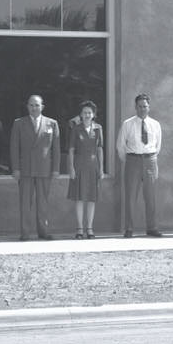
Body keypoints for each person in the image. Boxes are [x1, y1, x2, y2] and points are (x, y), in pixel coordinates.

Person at [9, 94, 61, 240]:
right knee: (26, 202)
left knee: (43, 202)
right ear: (27, 107)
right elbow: (14, 147)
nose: (34, 108)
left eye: (37, 105)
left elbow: (56, 148)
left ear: (42, 107)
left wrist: (56, 169)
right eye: (31, 105)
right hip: (25, 168)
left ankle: (43, 231)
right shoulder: (19, 123)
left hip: (44, 168)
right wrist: (16, 168)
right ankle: (25, 232)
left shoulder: (52, 123)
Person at [116, 92, 162, 237]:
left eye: (145, 106)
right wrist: (130, 160)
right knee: (130, 196)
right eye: (140, 106)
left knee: (151, 196)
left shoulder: (155, 124)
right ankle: (129, 229)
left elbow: (158, 145)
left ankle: (152, 228)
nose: (143, 108)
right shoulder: (127, 124)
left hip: (150, 160)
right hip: (133, 161)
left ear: (149, 107)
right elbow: (120, 146)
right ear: (135, 107)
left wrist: (151, 158)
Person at [66, 99, 104, 239]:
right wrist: (71, 168)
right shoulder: (76, 129)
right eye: (84, 113)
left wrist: (101, 168)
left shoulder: (98, 128)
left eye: (89, 112)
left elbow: (100, 149)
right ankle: (80, 229)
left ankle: (90, 228)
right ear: (80, 115)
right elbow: (71, 149)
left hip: (93, 165)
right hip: (79, 165)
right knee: (80, 198)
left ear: (93, 114)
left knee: (92, 198)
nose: (87, 115)